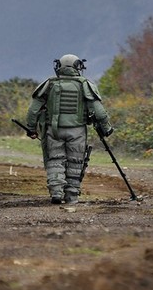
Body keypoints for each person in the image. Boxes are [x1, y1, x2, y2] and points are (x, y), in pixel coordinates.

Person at [23, 54, 113, 204]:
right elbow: (99, 112)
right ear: (77, 66)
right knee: (75, 162)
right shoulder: (84, 84)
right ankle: (71, 196)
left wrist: (31, 129)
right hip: (77, 131)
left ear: (59, 67)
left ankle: (56, 193)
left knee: (55, 160)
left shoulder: (49, 84)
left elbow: (33, 110)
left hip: (53, 130)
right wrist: (107, 128)